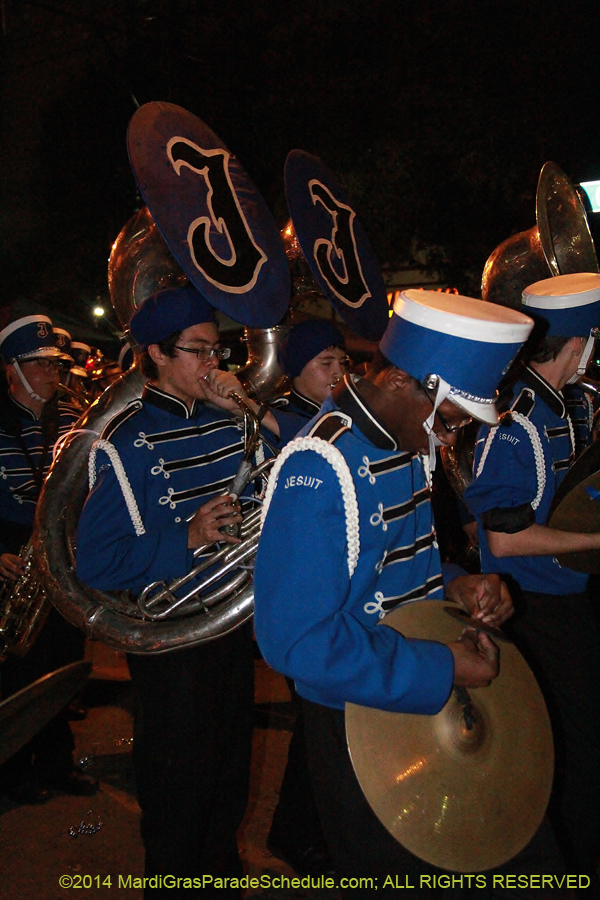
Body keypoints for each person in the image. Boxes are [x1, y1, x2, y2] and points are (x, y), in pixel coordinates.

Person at [254, 290, 571, 897]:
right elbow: (294, 641)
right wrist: (442, 664)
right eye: (449, 421)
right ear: (403, 382)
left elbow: (403, 571)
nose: (450, 442)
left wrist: (461, 584)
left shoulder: (402, 439)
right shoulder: (320, 463)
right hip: (358, 719)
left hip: (418, 687)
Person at [76, 284, 282, 898]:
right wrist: (184, 536)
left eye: (217, 351)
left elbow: (300, 467)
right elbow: (95, 562)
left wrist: (248, 406)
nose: (213, 366)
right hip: (169, 645)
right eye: (198, 352)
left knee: (228, 784)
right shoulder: (123, 444)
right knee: (177, 795)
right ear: (156, 355)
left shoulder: (233, 422)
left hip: (230, 627)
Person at [464, 272, 600, 876]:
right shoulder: (512, 422)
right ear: (579, 344)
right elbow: (503, 535)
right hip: (534, 610)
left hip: (577, 598)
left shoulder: (578, 403)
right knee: (569, 752)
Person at [0, 314, 98, 803]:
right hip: (10, 551)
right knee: (13, 669)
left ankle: (57, 763)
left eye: (52, 364)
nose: (50, 373)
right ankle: (12, 770)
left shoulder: (71, 418)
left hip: (60, 551)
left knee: (61, 663)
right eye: (37, 365)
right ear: (11, 370)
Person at [264, 318, 349, 875]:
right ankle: (295, 830)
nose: (340, 374)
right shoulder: (279, 421)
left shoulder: (341, 418)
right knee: (316, 721)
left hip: (341, 576)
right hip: (302, 585)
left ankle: (305, 825)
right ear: (295, 371)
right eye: (327, 364)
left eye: (344, 363)